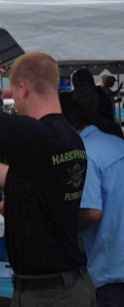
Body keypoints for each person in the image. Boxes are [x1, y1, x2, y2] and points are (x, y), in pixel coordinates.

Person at [0, 52, 96, 307]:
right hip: (69, 284)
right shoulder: (69, 138)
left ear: (23, 89)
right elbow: (16, 177)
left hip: (49, 295)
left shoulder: (35, 134)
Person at [60, 95, 124, 307]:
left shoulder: (84, 152)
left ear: (66, 125)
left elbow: (91, 212)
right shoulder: (116, 142)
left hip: (110, 268)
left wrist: (64, 230)